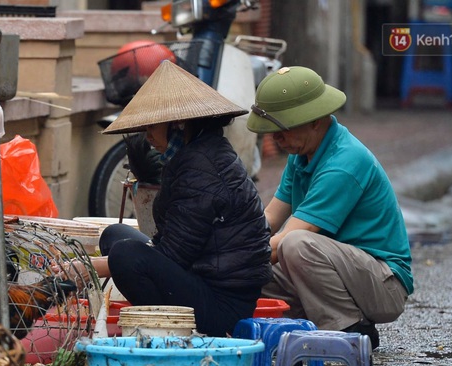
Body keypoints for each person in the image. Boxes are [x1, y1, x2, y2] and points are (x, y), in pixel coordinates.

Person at [82, 60, 272, 337]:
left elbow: (173, 255)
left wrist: (84, 268)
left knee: (124, 255)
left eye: (152, 128)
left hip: (222, 305)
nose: (147, 137)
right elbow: (169, 243)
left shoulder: (201, 167)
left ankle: (170, 334)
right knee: (115, 236)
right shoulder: (195, 153)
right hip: (201, 278)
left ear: (179, 124)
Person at [246, 66, 413, 349]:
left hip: (384, 284)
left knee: (293, 245)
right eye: (273, 132)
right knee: (251, 274)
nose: (276, 139)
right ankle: (305, 323)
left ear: (315, 121)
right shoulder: (301, 155)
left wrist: (230, 262)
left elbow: (288, 239)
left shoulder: (344, 162)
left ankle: (350, 331)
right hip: (339, 273)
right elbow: (270, 219)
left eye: (283, 130)